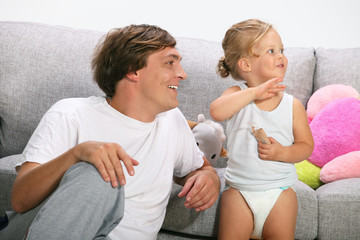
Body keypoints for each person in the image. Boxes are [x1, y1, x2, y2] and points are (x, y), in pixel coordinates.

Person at [0, 24, 220, 240]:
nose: (182, 74)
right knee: (96, 173)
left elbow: (200, 168)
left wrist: (208, 178)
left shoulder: (172, 120)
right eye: (170, 63)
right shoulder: (70, 113)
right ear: (132, 70)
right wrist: (77, 154)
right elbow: (20, 200)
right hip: (43, 230)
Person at [210, 19, 314, 240]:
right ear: (246, 65)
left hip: (279, 192)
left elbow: (306, 146)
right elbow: (216, 112)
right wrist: (253, 93)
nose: (281, 56)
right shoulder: (236, 95)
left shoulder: (291, 105)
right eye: (271, 50)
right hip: (238, 192)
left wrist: (283, 153)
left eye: (282, 50)